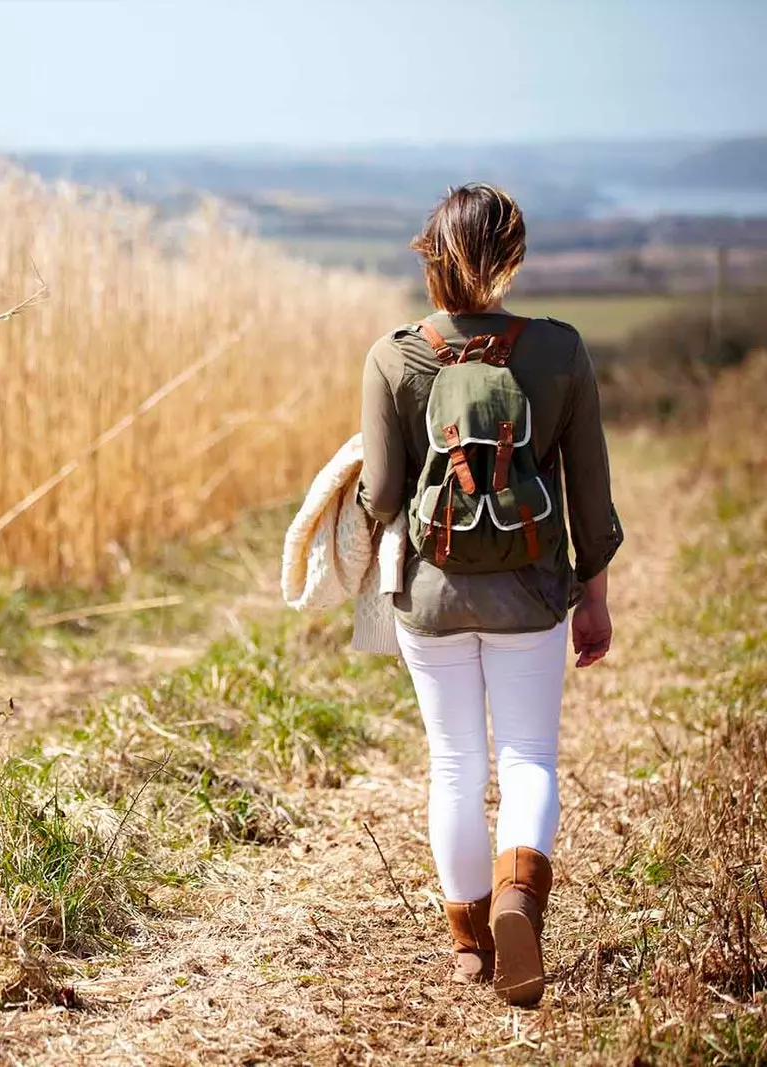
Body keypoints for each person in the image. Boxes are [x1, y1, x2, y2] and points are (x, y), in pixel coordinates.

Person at [357, 183, 622, 1007]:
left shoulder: (395, 356)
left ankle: (471, 944)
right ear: (513, 257)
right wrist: (594, 595)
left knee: (454, 765)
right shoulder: (559, 350)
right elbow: (590, 492)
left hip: (432, 601)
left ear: (432, 259)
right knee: (528, 757)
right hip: (532, 591)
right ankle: (520, 902)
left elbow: (381, 494)